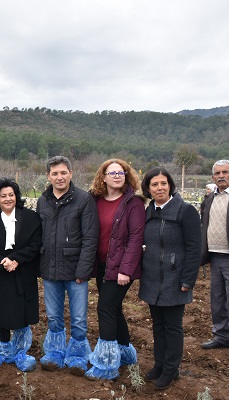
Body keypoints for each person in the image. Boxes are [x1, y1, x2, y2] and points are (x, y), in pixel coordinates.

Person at [36, 156, 99, 375]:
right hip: (50, 269)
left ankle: (78, 355)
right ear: (48, 176)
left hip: (75, 271)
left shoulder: (83, 200)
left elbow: (90, 239)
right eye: (55, 173)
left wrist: (83, 270)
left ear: (71, 173)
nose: (59, 177)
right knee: (53, 316)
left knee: (79, 318)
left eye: (63, 172)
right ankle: (55, 353)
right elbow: (38, 236)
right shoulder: (42, 200)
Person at [140, 167, 201, 390]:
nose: (159, 188)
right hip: (152, 278)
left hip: (175, 279)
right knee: (158, 325)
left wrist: (188, 280)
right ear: (148, 188)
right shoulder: (149, 212)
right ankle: (159, 364)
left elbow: (195, 248)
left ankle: (171, 370)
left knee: (173, 326)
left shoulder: (185, 211)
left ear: (170, 186)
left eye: (163, 183)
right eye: (154, 184)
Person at [85, 159, 145, 380]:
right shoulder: (95, 200)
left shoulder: (133, 203)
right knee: (114, 309)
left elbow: (135, 238)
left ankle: (107, 364)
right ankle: (125, 354)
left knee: (105, 309)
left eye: (121, 172)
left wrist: (126, 270)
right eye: (112, 173)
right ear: (103, 177)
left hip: (121, 268)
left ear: (127, 176)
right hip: (102, 265)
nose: (117, 176)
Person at [0, 178, 41, 372]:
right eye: (3, 196)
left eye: (11, 195)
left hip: (23, 271)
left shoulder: (30, 217)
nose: (7, 199)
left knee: (22, 312)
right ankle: (4, 350)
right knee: (2, 312)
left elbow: (35, 244)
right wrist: (1, 262)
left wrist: (16, 259)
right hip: (1, 274)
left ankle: (21, 352)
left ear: (16, 196)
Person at [200, 160, 229, 356]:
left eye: (225, 172)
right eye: (217, 173)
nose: (221, 175)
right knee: (217, 299)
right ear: (213, 177)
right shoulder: (209, 200)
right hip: (215, 256)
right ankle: (221, 336)